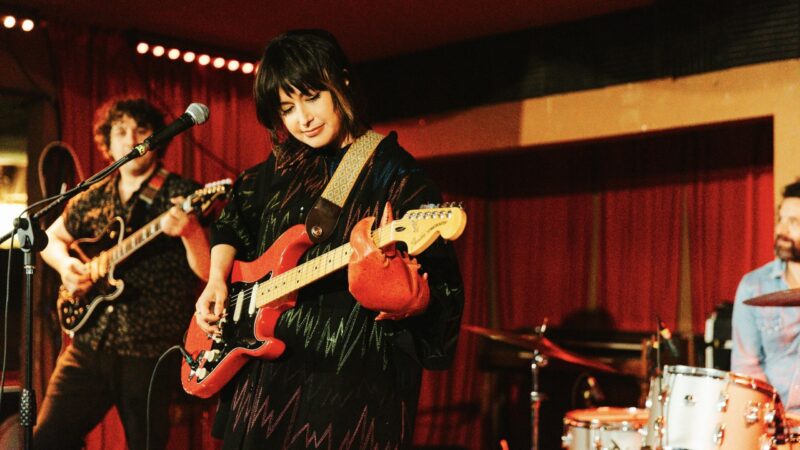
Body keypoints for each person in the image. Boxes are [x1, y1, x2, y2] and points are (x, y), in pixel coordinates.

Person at [194, 29, 464, 449]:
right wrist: (215, 279)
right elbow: (232, 221)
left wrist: (411, 300)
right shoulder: (280, 167)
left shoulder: (396, 174)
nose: (303, 119)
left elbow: (443, 290)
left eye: (312, 97)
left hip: (349, 384)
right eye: (287, 108)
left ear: (342, 82)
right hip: (264, 381)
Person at [34, 98, 211, 449]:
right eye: (120, 131)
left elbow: (208, 271)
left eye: (141, 130)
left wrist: (190, 232)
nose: (131, 138)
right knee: (45, 441)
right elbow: (50, 239)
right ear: (108, 142)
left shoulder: (182, 193)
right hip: (89, 342)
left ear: (158, 138)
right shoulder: (93, 196)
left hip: (150, 349)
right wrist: (67, 266)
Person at [732, 180, 800, 414]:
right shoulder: (754, 286)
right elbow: (746, 367)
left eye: (794, 222)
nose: (781, 229)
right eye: (781, 219)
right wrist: (773, 416)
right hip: (775, 421)